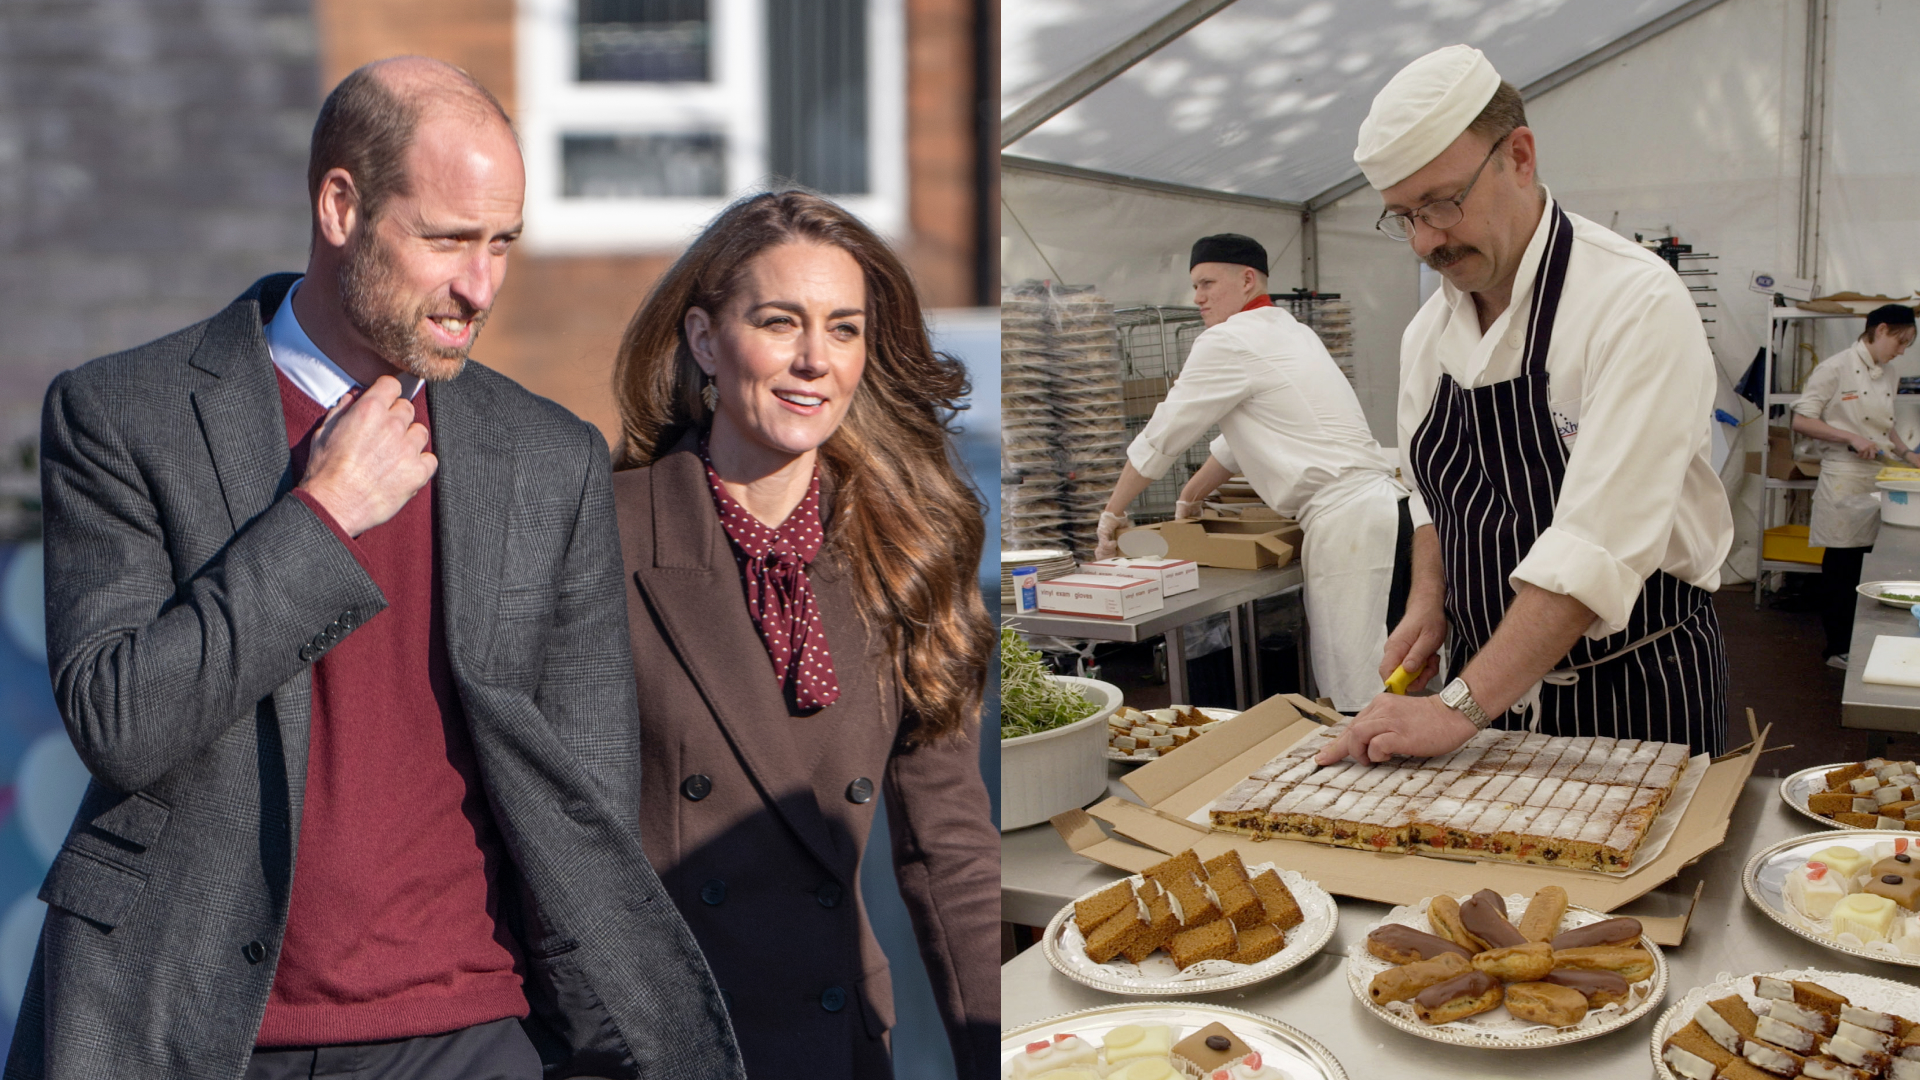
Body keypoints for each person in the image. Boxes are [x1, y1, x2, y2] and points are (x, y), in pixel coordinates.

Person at [12, 58, 741, 1080]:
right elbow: (121, 723)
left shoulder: (548, 457)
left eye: (501, 244)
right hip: (204, 1033)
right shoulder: (122, 416)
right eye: (447, 239)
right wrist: (323, 516)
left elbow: (586, 798)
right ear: (341, 204)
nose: (478, 287)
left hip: (475, 1032)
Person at [607, 191, 999, 1080]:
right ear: (706, 340)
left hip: (838, 1040)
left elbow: (951, 850)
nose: (815, 360)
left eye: (845, 329)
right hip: (661, 1044)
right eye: (780, 322)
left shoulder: (906, 550)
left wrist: (992, 1053)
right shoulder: (605, 532)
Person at [1319, 45, 1734, 767]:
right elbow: (1429, 497)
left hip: (1633, 692)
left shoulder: (1632, 302)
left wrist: (1456, 710)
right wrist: (1429, 602)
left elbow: (1594, 545)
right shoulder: (1429, 335)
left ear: (1519, 155)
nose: (1427, 242)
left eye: (1444, 203)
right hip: (1485, 697)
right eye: (1404, 217)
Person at [1094, 234, 1410, 712]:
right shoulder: (1289, 330)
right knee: (1392, 680)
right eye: (1193, 286)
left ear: (1246, 281)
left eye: (1206, 283)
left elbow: (1164, 433)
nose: (1197, 297)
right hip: (1391, 514)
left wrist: (1112, 513)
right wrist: (1191, 496)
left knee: (1358, 694)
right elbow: (1237, 442)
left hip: (1352, 527)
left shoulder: (1228, 339)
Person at [1791, 304, 1920, 668]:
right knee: (1842, 565)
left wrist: (1909, 453)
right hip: (1845, 476)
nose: (1902, 350)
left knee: (1868, 564)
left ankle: (1860, 643)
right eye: (1900, 341)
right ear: (1880, 330)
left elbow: (1885, 424)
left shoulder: (1889, 373)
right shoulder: (1834, 367)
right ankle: (1835, 648)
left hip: (1877, 474)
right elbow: (1803, 420)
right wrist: (1849, 436)